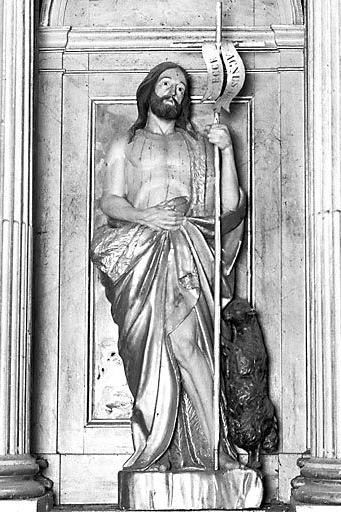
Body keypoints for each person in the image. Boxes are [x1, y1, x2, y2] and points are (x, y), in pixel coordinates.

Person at [90, 62, 246, 471]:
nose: (174, 90)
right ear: (149, 90)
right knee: (148, 356)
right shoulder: (126, 142)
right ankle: (153, 450)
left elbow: (228, 206)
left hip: (186, 247)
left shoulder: (197, 145)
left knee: (188, 346)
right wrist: (147, 217)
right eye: (166, 82)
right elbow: (109, 201)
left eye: (181, 86)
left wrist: (226, 150)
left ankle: (218, 451)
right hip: (140, 254)